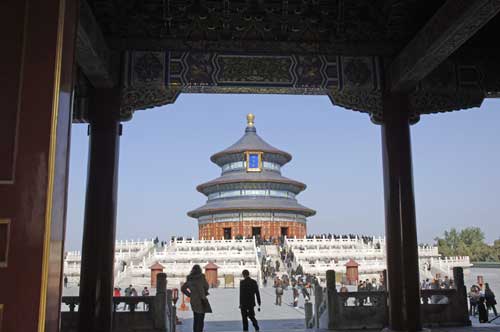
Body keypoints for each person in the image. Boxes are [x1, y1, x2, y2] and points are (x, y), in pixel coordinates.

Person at [181, 264, 211, 332]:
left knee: (196, 317)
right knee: (201, 319)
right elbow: (206, 287)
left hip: (194, 300)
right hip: (202, 300)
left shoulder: (190, 279)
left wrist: (190, 294)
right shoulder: (201, 277)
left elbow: (183, 288)